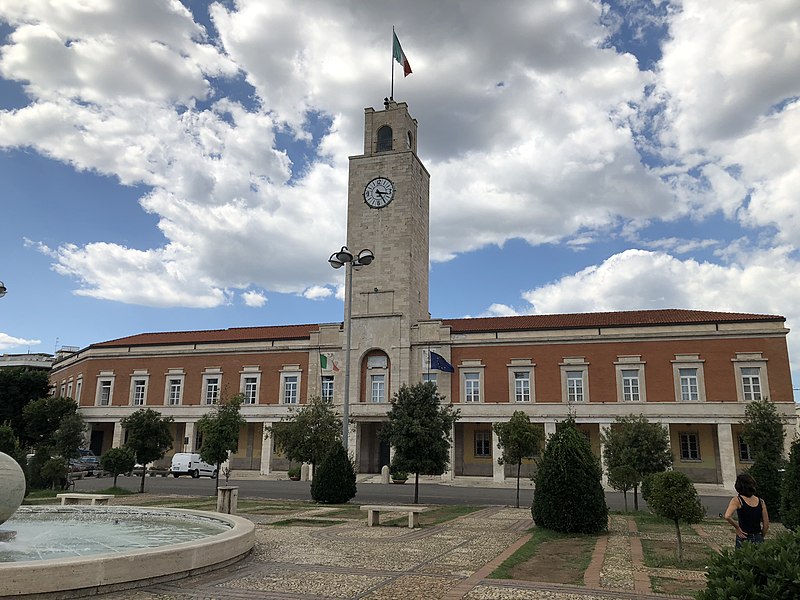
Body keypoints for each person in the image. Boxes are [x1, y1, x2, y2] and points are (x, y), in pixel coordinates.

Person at [724, 472, 769, 548]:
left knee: (741, 558)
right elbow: (766, 524)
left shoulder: (737, 500)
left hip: (744, 536)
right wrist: (761, 535)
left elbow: (727, 516)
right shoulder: (761, 501)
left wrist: (737, 528)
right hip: (758, 535)